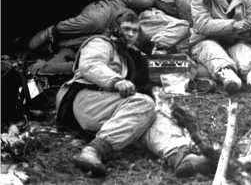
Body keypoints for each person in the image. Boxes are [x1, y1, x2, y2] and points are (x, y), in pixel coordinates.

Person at [55, 11, 212, 178]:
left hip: (113, 107)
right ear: (115, 29)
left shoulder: (131, 54)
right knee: (144, 104)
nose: (130, 34)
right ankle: (92, 151)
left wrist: (188, 67)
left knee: (153, 113)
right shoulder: (100, 43)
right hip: (84, 99)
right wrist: (115, 81)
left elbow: (155, 69)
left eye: (134, 31)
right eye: (126, 29)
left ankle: (179, 157)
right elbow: (90, 66)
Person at [28, 0, 165, 51]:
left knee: (96, 42)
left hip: (113, 27)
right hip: (106, 9)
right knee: (94, 23)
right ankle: (53, 30)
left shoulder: (159, 15)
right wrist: (154, 1)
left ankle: (58, 44)